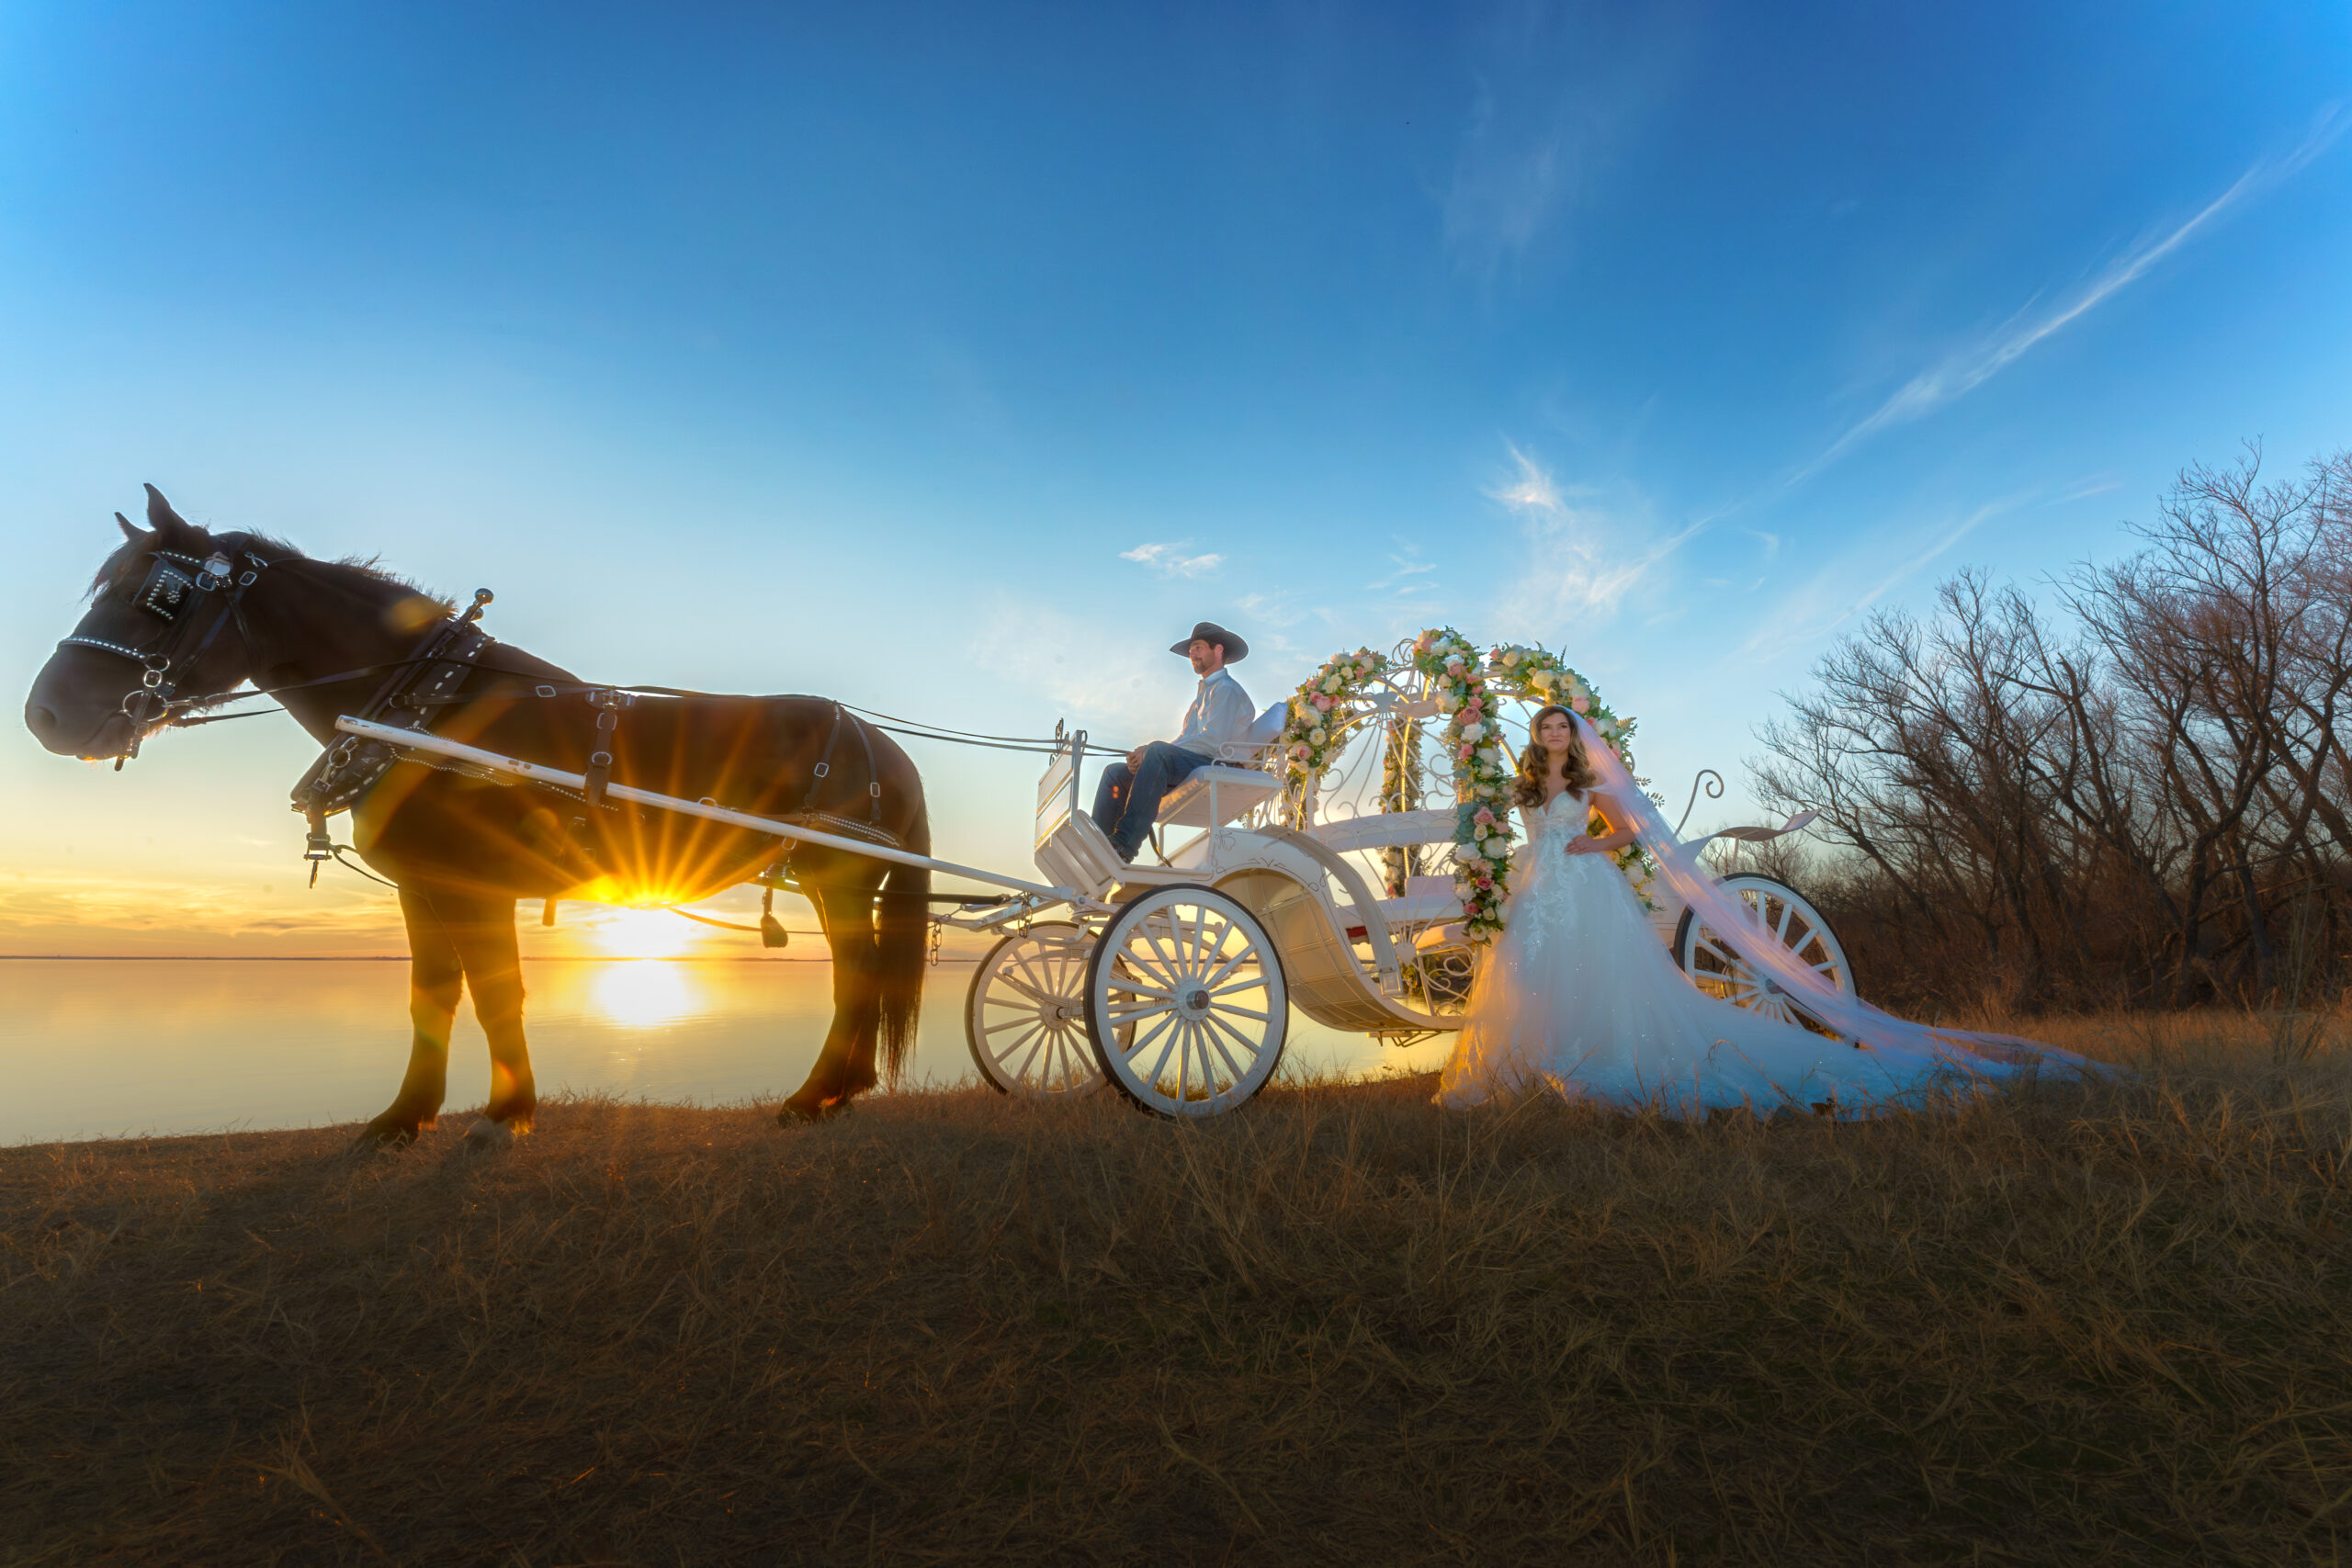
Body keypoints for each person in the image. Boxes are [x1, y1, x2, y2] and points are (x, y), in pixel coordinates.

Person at [1438, 705, 2090, 1115]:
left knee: (1595, 972)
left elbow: (1630, 832)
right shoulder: (1525, 784)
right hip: (1541, 888)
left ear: (1574, 736)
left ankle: (1591, 1057)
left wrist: (1593, 842)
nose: (1555, 734)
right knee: (1533, 970)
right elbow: (1528, 834)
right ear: (1537, 736)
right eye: (1547, 727)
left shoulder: (1590, 784)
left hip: (1585, 881)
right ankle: (1538, 1059)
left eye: (1563, 726)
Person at [1091, 621, 1253, 863]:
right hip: (1198, 760)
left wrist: (1154, 751)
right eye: (1191, 651)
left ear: (1218, 650)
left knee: (1157, 752)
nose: (1192, 655)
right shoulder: (1201, 697)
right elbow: (1185, 740)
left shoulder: (1226, 690)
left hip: (1219, 763)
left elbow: (1213, 742)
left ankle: (1124, 845)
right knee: (1115, 773)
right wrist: (1143, 756)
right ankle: (1097, 846)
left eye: (1197, 648)